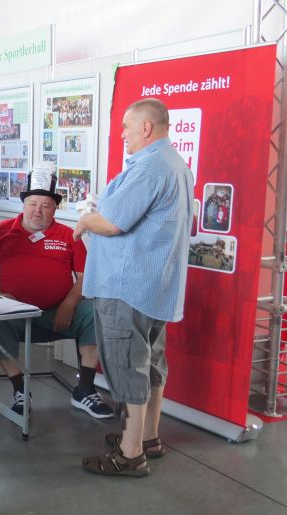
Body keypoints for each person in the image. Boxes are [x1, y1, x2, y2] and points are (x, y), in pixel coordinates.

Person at [74, 98, 194, 478]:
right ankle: (147, 437)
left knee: (127, 367)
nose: (122, 134)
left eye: (127, 126)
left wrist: (86, 221)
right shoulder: (175, 164)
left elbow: (112, 224)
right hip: (155, 288)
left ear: (146, 127)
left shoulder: (149, 167)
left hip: (126, 287)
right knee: (150, 365)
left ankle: (130, 455)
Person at [0, 169, 113, 419]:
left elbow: (86, 276)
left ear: (55, 209)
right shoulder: (0, 232)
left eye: (46, 206)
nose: (38, 211)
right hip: (13, 314)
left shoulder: (68, 235)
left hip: (57, 312)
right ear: (23, 205)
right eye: (33, 204)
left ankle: (84, 389)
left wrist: (70, 303)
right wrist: (2, 294)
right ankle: (20, 389)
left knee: (97, 311)